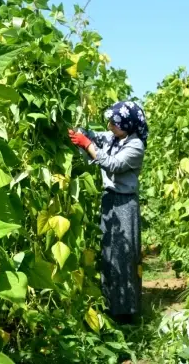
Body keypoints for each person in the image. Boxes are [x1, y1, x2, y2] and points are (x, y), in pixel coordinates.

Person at [68, 101, 149, 325]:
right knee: (109, 254)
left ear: (127, 125)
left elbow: (112, 164)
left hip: (124, 203)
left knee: (124, 256)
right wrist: (81, 134)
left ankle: (127, 312)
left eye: (115, 122)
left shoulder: (135, 146)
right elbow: (95, 136)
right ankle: (111, 305)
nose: (110, 125)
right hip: (109, 200)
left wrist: (86, 144)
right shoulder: (116, 137)